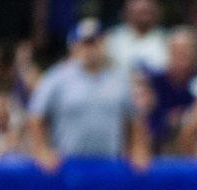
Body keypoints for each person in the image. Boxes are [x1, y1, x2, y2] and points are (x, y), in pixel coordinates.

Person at [27, 18, 151, 172]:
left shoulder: (120, 79)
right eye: (86, 43)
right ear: (74, 45)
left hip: (109, 164)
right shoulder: (56, 78)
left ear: (103, 43)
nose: (91, 48)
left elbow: (135, 118)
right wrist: (41, 150)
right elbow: (35, 116)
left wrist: (138, 149)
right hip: (67, 166)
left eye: (95, 42)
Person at [106, 0, 169, 74]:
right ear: (127, 13)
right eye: (139, 12)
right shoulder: (113, 39)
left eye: (146, 12)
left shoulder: (166, 39)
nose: (143, 17)